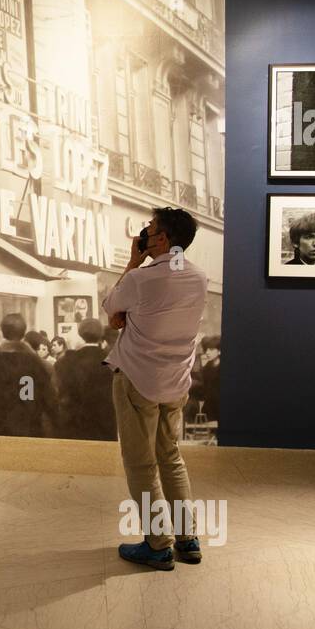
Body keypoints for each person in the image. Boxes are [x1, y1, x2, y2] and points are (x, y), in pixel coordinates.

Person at [101, 207, 209, 570]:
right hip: (175, 383)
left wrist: (133, 261)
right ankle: (187, 538)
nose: (144, 233)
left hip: (137, 380)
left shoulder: (141, 279)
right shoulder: (198, 277)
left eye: (149, 229)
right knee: (171, 457)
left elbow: (110, 305)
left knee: (141, 464)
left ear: (161, 239)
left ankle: (157, 544)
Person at [0, 313, 56, 437]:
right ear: (23, 332)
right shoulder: (34, 362)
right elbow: (47, 397)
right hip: (29, 428)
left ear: (2, 331)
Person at [54, 318, 117, 441]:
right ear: (100, 335)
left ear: (80, 333)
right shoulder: (111, 360)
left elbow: (61, 390)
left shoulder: (67, 361)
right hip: (105, 420)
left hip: (75, 421)